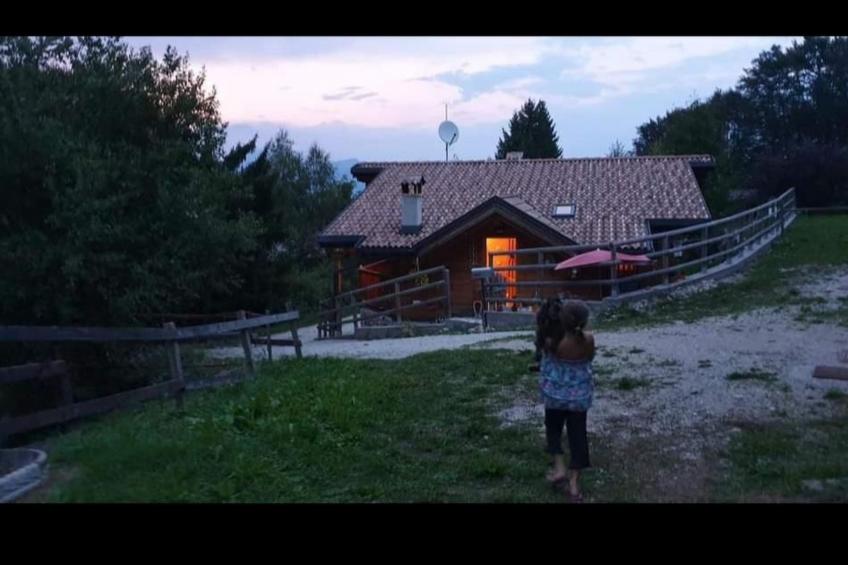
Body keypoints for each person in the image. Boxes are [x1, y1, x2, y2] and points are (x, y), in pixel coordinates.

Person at [536, 298, 595, 502]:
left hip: (555, 397)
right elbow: (589, 358)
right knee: (578, 436)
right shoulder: (588, 339)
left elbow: (543, 352)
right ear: (584, 321)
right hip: (578, 398)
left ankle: (559, 468)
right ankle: (574, 484)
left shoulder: (554, 342)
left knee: (553, 430)